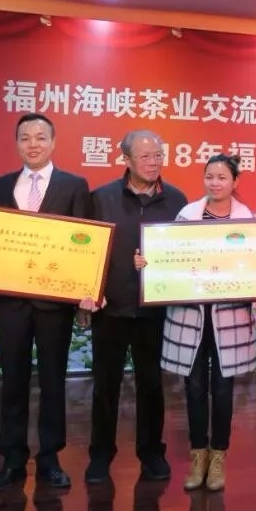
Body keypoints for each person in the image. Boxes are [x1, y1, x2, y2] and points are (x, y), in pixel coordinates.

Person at [0, 113, 93, 491]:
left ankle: (50, 458)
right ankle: (11, 458)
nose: (33, 144)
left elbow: (86, 244)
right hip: (11, 302)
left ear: (53, 142)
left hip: (54, 303)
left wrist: (83, 296)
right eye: (25, 138)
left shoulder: (74, 186)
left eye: (40, 137)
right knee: (12, 380)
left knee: (54, 380)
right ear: (16, 144)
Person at [151, 154, 256, 492]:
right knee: (194, 387)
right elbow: (169, 259)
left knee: (223, 390)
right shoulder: (186, 215)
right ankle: (198, 457)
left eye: (222, 177)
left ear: (235, 182)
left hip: (229, 317)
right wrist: (149, 261)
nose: (215, 183)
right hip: (190, 315)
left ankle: (218, 458)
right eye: (209, 176)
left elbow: (255, 271)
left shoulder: (247, 221)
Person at [86, 130, 188, 483]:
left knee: (152, 385)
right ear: (125, 159)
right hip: (110, 309)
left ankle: (151, 453)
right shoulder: (101, 198)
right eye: (145, 156)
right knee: (105, 386)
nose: (153, 162)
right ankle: (100, 455)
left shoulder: (176, 200)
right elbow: (87, 250)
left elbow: (185, 252)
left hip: (155, 312)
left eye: (158, 155)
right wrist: (89, 291)